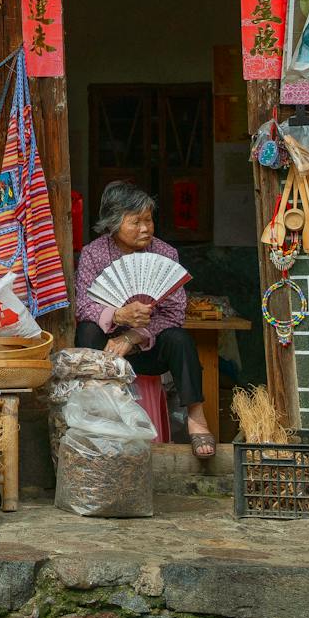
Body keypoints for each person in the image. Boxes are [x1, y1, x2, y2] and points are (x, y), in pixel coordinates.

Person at [73, 181, 215, 459]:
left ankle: (197, 419)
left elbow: (175, 313)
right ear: (113, 223)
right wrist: (117, 315)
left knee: (180, 339)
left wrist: (134, 335)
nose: (145, 229)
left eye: (148, 220)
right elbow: (83, 306)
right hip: (107, 353)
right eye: (135, 222)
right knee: (88, 330)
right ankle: (92, 411)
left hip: (147, 350)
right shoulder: (93, 254)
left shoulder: (165, 253)